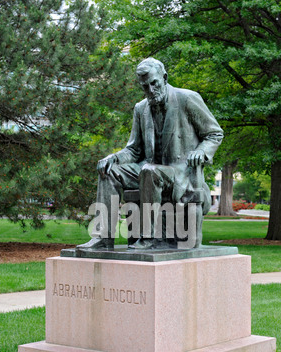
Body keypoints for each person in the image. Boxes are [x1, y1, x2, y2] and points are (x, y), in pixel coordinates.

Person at [77, 58, 223, 250]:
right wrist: (114, 158)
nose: (150, 90)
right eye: (145, 86)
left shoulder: (187, 99)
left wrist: (201, 151)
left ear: (164, 77)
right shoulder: (140, 108)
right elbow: (134, 149)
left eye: (154, 83)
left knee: (149, 171)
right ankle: (103, 238)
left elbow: (214, 133)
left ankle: (149, 238)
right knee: (109, 171)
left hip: (179, 172)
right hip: (148, 169)